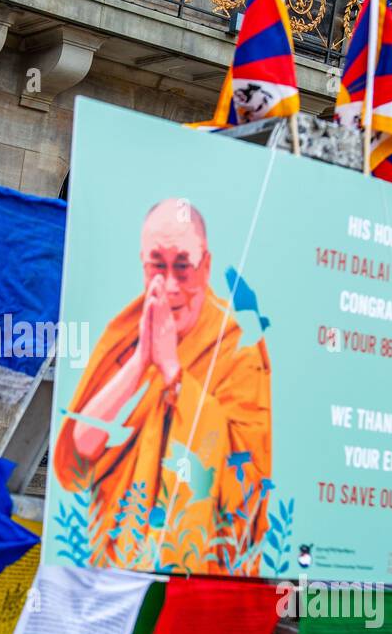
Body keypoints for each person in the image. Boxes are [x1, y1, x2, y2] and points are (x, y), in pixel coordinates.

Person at [51, 198, 272, 573]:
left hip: (198, 572)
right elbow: (79, 456)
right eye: (157, 265)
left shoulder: (238, 346)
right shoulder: (125, 331)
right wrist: (140, 364)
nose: (170, 285)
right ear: (143, 264)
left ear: (206, 267)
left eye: (183, 267)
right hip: (114, 555)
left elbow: (249, 481)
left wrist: (173, 372)